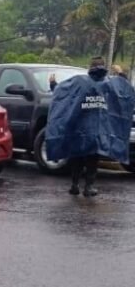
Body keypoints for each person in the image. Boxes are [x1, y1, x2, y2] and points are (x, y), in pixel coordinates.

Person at [46, 56, 135, 197]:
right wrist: (121, 74)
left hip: (80, 130)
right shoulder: (109, 84)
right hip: (98, 132)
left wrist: (53, 84)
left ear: (90, 67)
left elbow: (62, 93)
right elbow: (125, 92)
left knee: (77, 157)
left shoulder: (79, 82)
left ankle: (74, 186)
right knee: (92, 161)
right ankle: (88, 188)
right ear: (104, 67)